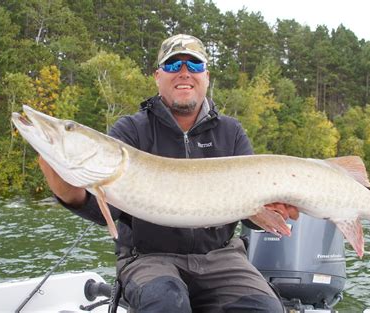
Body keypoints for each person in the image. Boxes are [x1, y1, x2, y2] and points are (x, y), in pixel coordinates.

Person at [39, 34, 298, 313]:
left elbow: (252, 211)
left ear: (206, 77)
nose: (184, 73)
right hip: (149, 259)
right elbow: (105, 212)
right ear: (158, 76)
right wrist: (63, 184)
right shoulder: (130, 131)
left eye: (194, 66)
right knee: (166, 303)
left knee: (266, 309)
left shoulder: (230, 132)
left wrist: (275, 209)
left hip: (221, 257)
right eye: (173, 66)